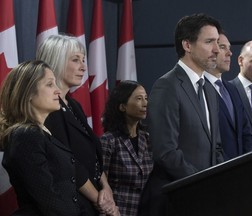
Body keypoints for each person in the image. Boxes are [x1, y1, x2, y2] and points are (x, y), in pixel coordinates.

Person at [139, 13, 224, 216]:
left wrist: (222, 181)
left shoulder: (211, 91)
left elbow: (216, 147)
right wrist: (202, 182)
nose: (216, 50)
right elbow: (165, 152)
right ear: (187, 45)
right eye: (209, 42)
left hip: (204, 200)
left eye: (218, 42)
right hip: (175, 200)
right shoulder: (166, 86)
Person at [36, 35, 119, 216]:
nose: (83, 67)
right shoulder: (49, 109)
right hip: (74, 205)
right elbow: (68, 164)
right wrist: (101, 201)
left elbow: (93, 158)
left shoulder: (74, 106)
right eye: (75, 60)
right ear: (55, 60)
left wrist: (106, 188)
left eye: (83, 60)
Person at [0, 60, 84, 215]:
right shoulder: (26, 136)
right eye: (50, 84)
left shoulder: (40, 133)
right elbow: (48, 200)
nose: (58, 91)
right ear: (28, 93)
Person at [100, 80, 153, 216]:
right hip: (117, 212)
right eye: (139, 99)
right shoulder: (109, 140)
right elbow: (100, 182)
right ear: (123, 106)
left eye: (146, 98)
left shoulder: (146, 138)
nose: (145, 103)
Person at [204, 33, 252, 160]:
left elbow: (246, 133)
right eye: (223, 47)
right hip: (216, 173)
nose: (230, 53)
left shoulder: (233, 89)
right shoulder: (200, 89)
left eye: (229, 48)